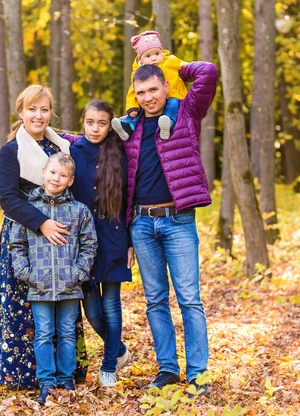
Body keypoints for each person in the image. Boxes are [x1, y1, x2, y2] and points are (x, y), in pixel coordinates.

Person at [122, 62, 218, 394]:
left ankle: (198, 375)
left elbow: (208, 72)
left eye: (153, 89)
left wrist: (171, 62)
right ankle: (167, 370)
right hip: (141, 223)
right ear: (135, 95)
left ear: (166, 86)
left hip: (178, 221)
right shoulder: (129, 128)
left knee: (189, 299)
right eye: (141, 92)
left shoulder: (185, 114)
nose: (148, 97)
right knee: (155, 300)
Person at [0, 85, 89, 389]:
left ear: (50, 113)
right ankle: (24, 374)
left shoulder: (60, 149)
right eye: (32, 109)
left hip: (61, 239)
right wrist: (42, 223)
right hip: (26, 232)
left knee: (62, 305)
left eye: (44, 109)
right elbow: (8, 199)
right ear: (21, 112)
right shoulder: (12, 150)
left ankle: (64, 374)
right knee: (23, 303)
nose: (38, 115)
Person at [10, 153, 97, 404]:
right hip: (39, 284)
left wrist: (79, 273)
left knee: (68, 333)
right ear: (43, 173)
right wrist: (26, 273)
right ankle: (46, 382)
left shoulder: (79, 211)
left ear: (70, 181)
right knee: (44, 333)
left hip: (70, 285)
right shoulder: (29, 209)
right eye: (52, 173)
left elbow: (89, 244)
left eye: (62, 175)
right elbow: (17, 244)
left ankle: (66, 380)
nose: (56, 178)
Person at [62, 99, 135, 387]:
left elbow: (128, 201)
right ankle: (120, 351)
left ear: (110, 124)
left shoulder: (120, 152)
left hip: (113, 236)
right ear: (83, 122)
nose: (95, 128)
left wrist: (129, 243)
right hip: (83, 240)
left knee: (112, 305)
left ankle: (109, 367)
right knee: (92, 311)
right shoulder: (73, 151)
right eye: (90, 122)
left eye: (102, 123)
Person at [111, 30, 188, 141]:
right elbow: (133, 92)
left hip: (173, 95)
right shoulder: (138, 73)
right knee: (136, 113)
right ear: (140, 59)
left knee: (173, 104)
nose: (153, 58)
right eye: (148, 56)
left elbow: (184, 65)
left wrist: (192, 70)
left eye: (157, 54)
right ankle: (127, 126)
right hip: (151, 105)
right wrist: (132, 107)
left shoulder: (170, 61)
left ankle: (167, 124)